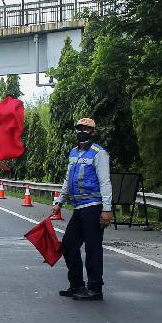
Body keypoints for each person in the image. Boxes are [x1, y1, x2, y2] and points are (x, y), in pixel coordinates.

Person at [51, 117, 113, 301]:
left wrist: (107, 209)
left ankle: (95, 289)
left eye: (86, 129)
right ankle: (76, 285)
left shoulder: (98, 153)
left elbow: (105, 181)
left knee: (93, 248)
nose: (82, 132)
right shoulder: (73, 153)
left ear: (93, 133)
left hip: (94, 206)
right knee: (68, 246)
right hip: (78, 207)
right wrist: (59, 201)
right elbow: (67, 179)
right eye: (79, 128)